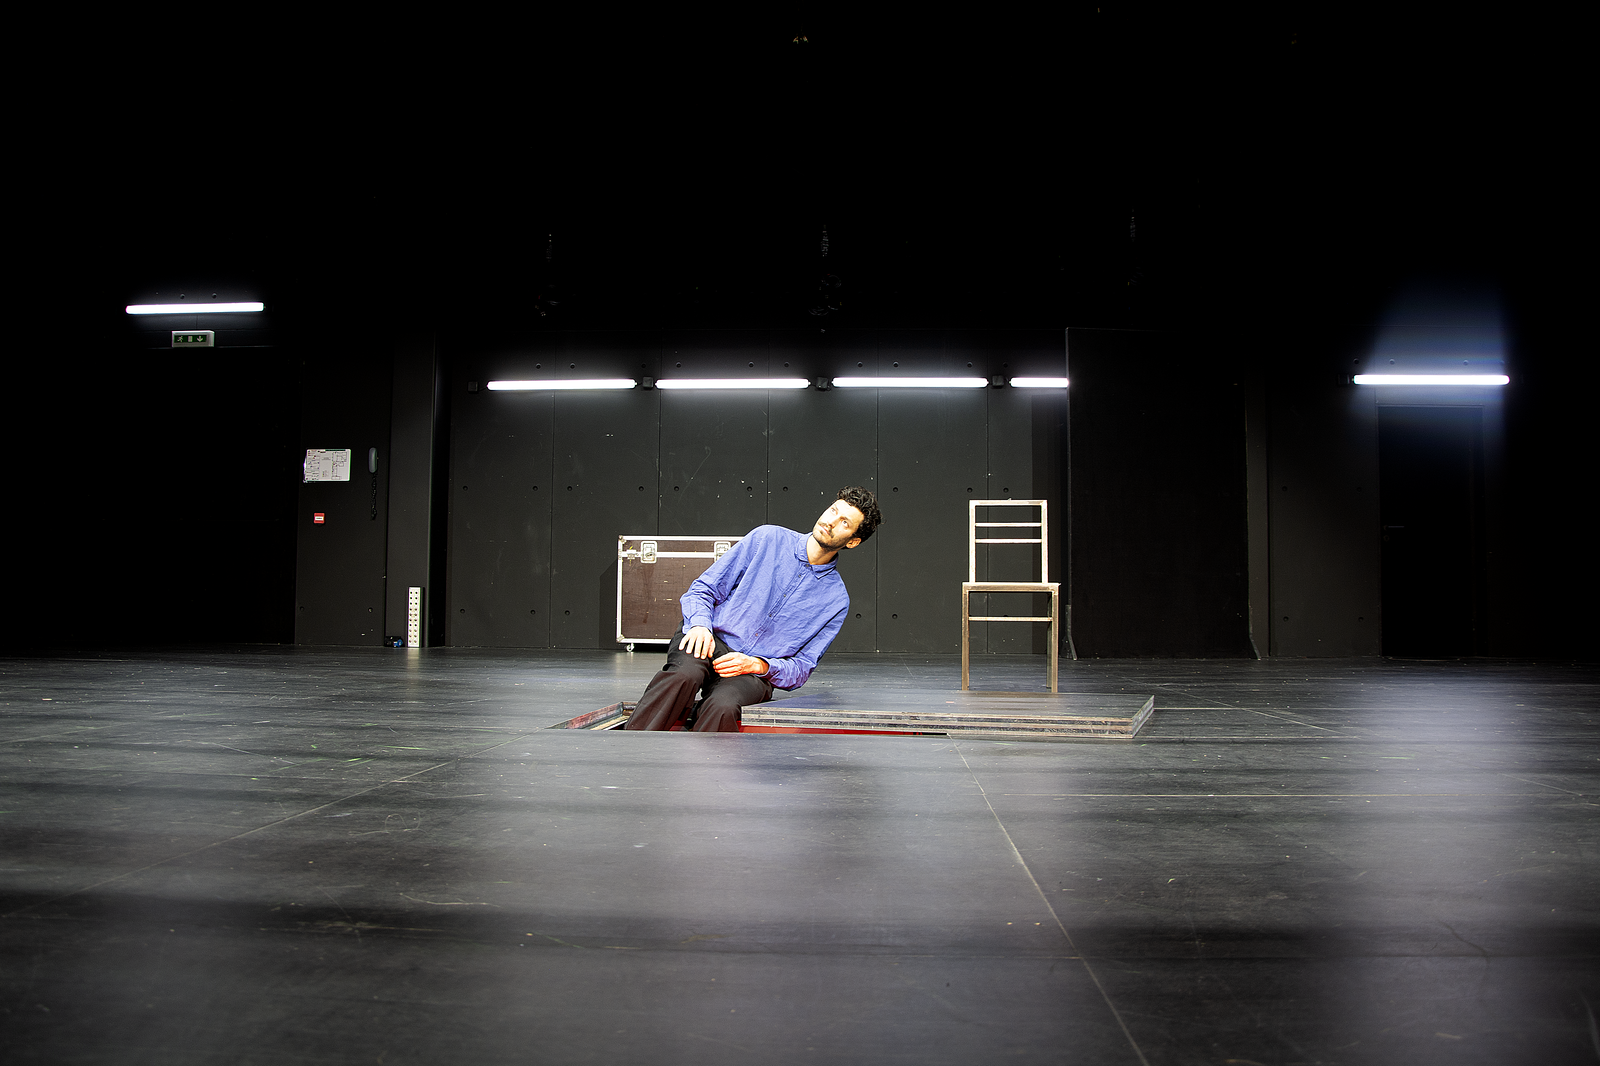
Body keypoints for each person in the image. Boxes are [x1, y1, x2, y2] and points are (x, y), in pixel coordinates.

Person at [624, 486, 882, 731]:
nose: (831, 521)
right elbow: (703, 590)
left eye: (845, 522)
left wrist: (758, 665)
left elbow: (802, 667)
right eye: (833, 510)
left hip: (753, 671)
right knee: (683, 676)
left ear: (852, 542)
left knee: (723, 706)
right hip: (709, 638)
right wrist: (700, 625)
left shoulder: (836, 600)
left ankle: (701, 764)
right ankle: (631, 748)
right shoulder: (767, 538)